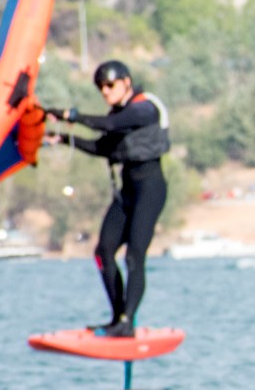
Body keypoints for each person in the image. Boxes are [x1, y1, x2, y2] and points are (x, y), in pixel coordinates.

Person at [44, 60, 170, 338]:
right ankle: (116, 319)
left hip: (150, 189)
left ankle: (127, 321)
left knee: (134, 254)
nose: (105, 91)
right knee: (103, 252)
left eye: (110, 85)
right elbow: (101, 147)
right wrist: (63, 138)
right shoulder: (120, 116)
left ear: (126, 82)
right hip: (127, 191)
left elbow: (110, 124)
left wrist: (69, 115)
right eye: (101, 87)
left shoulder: (145, 108)